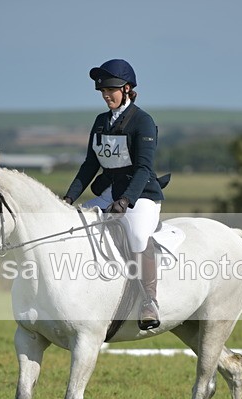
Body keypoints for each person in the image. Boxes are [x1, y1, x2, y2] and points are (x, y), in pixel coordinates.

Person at [63, 59, 166, 330]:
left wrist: (126, 200)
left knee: (138, 235)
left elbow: (144, 168)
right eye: (102, 91)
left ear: (127, 88)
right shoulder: (101, 122)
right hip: (110, 193)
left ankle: (149, 301)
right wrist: (68, 199)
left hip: (140, 194)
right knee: (74, 225)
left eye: (110, 90)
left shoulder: (143, 121)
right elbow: (90, 165)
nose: (106, 95)